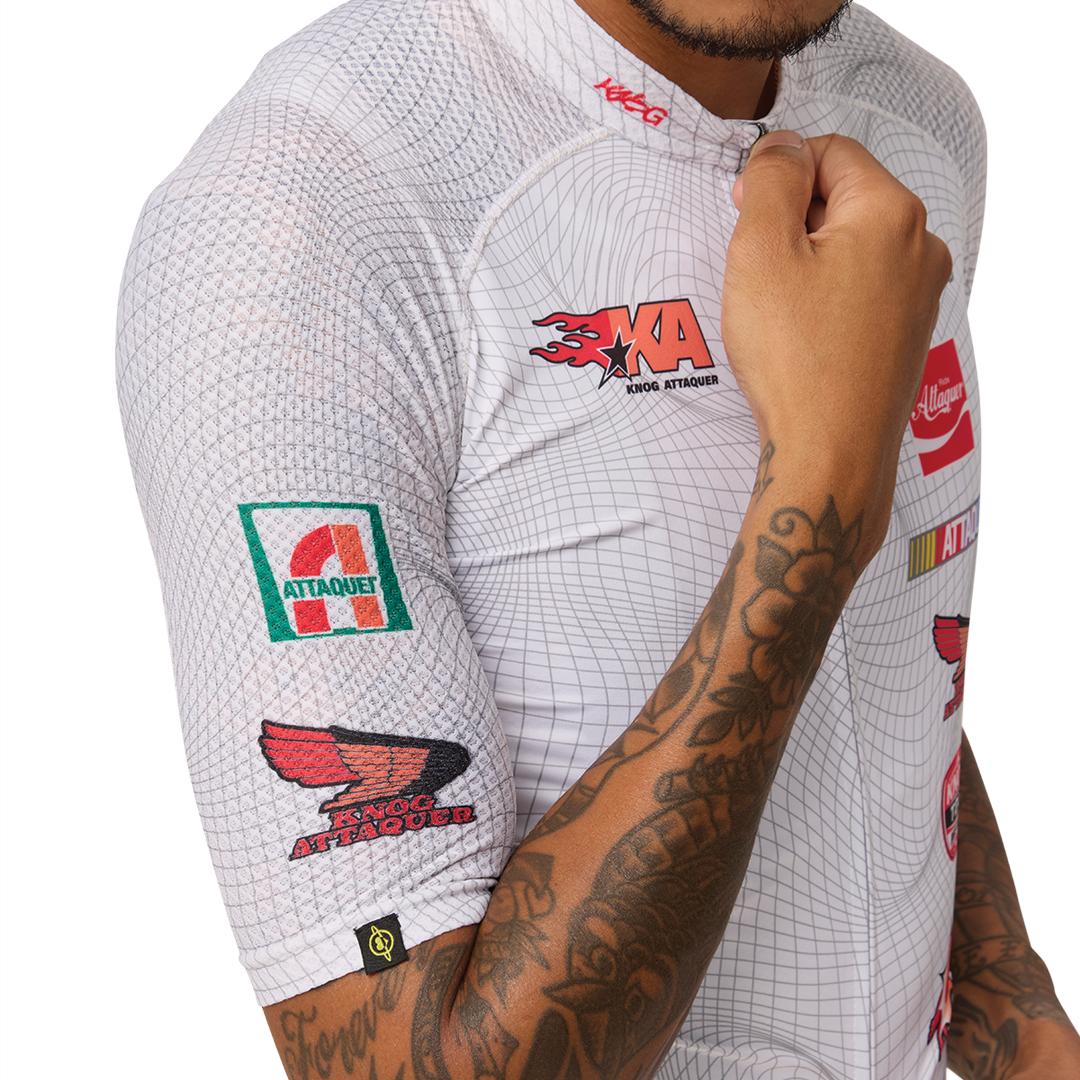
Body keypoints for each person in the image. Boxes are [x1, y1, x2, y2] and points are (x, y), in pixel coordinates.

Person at [114, 0, 1080, 1075]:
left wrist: (1023, 1025)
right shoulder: (296, 211)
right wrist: (822, 495)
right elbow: (410, 1059)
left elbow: (893, 670)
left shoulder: (918, 116)